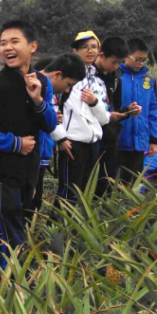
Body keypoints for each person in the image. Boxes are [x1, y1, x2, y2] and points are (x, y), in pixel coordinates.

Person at [0, 21, 56, 259]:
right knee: (0, 227)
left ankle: (6, 277)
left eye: (14, 41)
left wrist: (38, 100)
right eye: (3, 43)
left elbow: (51, 124)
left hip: (27, 169)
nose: (8, 47)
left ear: (32, 46)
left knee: (18, 219)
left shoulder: (43, 83)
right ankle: (1, 281)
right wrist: (15, 143)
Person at [53, 31, 110, 202]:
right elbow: (52, 107)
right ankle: (57, 226)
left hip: (93, 143)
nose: (89, 51)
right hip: (72, 143)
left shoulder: (98, 83)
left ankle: (77, 228)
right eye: (84, 47)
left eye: (93, 47)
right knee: (68, 191)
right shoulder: (64, 78)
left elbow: (105, 118)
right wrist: (60, 138)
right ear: (74, 51)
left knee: (86, 191)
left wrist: (94, 102)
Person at [33, 54, 86, 212]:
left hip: (41, 153)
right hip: (28, 154)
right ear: (57, 74)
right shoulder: (34, 87)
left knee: (35, 200)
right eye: (69, 84)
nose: (67, 90)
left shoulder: (48, 90)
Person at [115, 38, 157, 183]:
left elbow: (153, 110)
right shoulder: (116, 76)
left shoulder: (149, 80)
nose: (140, 63)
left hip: (139, 141)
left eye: (143, 60)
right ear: (126, 56)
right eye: (137, 59)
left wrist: (153, 139)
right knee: (114, 183)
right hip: (117, 140)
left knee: (134, 183)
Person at [94, 36, 135, 196]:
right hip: (92, 137)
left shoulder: (116, 77)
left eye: (120, 62)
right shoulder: (88, 76)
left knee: (107, 179)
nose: (116, 66)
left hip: (110, 136)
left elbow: (114, 107)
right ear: (102, 55)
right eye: (114, 62)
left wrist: (127, 111)